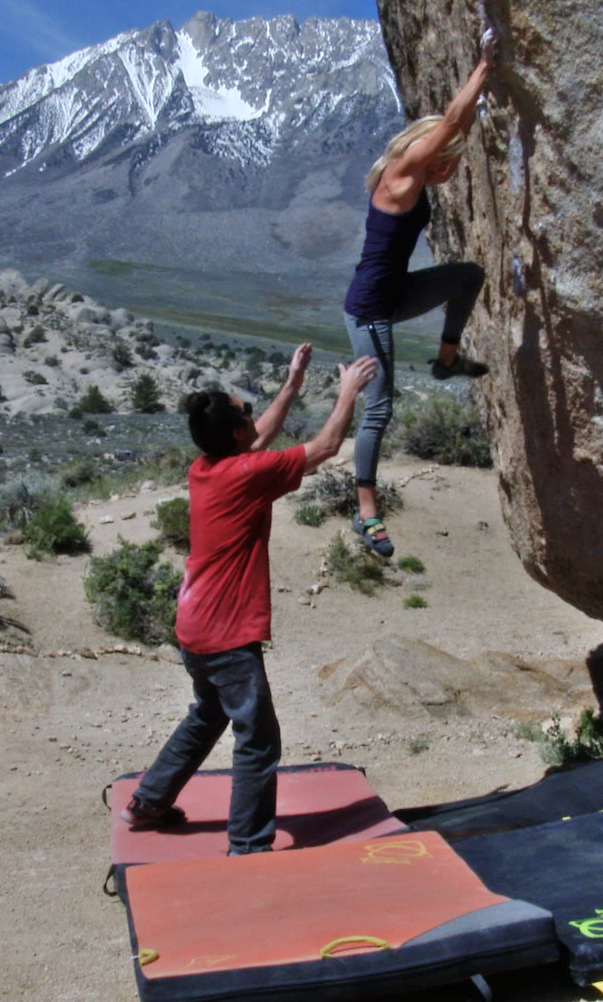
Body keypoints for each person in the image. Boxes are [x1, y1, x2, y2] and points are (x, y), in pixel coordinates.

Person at [119, 345, 380, 855]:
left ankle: (150, 800)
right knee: (258, 738)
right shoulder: (245, 475)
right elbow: (326, 446)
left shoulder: (207, 467)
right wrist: (349, 391)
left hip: (194, 624)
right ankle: (248, 845)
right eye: (245, 413)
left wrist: (293, 384)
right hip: (226, 633)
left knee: (209, 712)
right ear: (236, 433)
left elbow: (258, 436)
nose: (252, 418)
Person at [342, 29, 497, 558]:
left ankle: (447, 359)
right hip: (368, 312)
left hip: (395, 294)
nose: (452, 169)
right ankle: (366, 513)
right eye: (448, 160)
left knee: (467, 276)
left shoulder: (416, 173)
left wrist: (477, 102)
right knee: (379, 409)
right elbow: (453, 121)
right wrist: (484, 64)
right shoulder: (403, 174)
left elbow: (458, 126)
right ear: (427, 156)